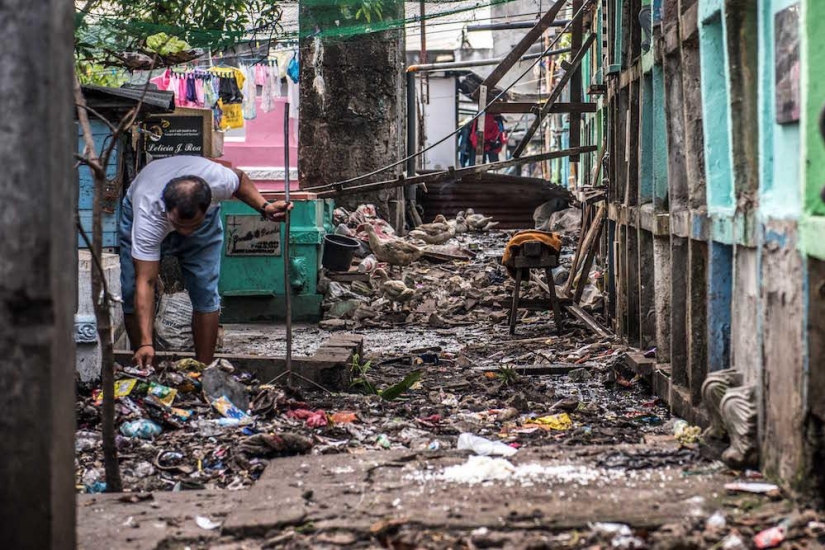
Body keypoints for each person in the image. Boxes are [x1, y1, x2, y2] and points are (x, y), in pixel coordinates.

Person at [119, 156, 291, 368]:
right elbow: (146, 281)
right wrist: (146, 342)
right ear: (167, 209)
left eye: (191, 226)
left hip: (202, 221)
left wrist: (265, 207)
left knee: (205, 290)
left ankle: (203, 370)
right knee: (130, 290)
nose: (185, 233)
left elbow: (239, 178)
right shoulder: (149, 213)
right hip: (148, 211)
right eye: (180, 225)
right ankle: (145, 363)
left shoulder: (218, 182)